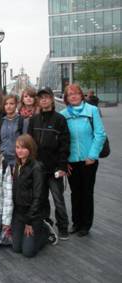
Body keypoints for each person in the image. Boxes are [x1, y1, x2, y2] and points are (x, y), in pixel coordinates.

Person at [60, 84, 106, 237]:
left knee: (87, 192)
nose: (73, 96)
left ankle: (86, 225)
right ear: (66, 98)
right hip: (72, 160)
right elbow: (62, 140)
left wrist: (92, 156)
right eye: (69, 94)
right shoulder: (63, 114)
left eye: (76, 94)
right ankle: (76, 223)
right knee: (75, 193)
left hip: (88, 160)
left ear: (81, 95)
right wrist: (64, 161)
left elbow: (100, 134)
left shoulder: (92, 111)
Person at [28, 87, 70, 240]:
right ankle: (46, 223)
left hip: (54, 168)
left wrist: (62, 166)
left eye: (46, 97)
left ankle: (63, 226)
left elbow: (65, 145)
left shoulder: (59, 119)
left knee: (58, 199)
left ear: (52, 99)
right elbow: (30, 144)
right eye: (41, 98)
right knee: (41, 198)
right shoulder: (34, 120)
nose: (43, 100)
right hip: (38, 168)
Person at [12, 134, 58, 258]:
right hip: (18, 213)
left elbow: (39, 197)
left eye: (23, 148)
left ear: (30, 149)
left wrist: (29, 221)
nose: (19, 151)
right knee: (16, 248)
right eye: (17, 147)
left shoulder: (37, 167)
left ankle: (45, 232)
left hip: (33, 215)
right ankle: (28, 234)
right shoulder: (17, 165)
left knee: (28, 252)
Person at [0, 95, 23, 169]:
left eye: (11, 104)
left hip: (16, 160)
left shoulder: (21, 121)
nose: (8, 106)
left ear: (16, 105)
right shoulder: (1, 121)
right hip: (2, 159)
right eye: (6, 104)